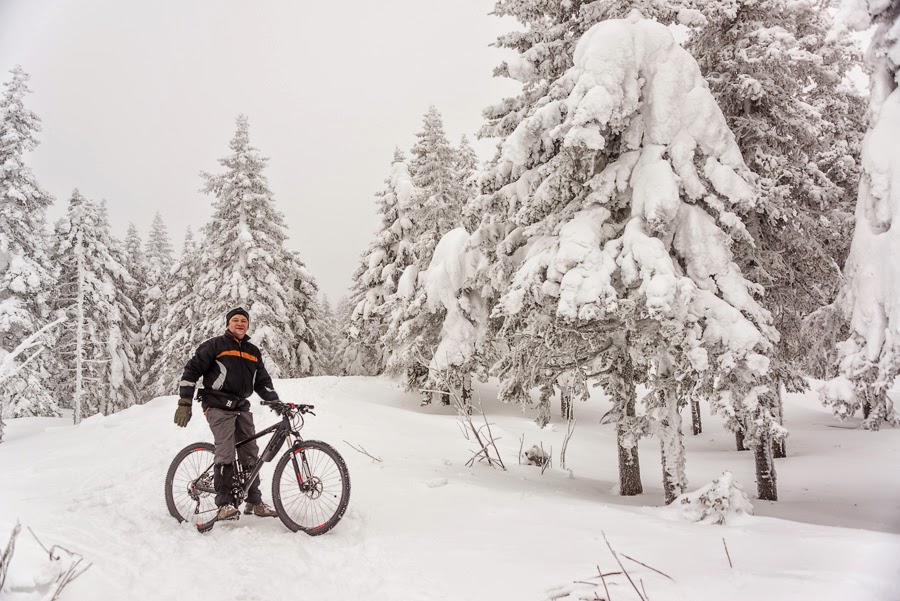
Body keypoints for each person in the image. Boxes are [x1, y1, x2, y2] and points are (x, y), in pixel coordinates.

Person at [173, 307, 279, 521]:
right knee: (226, 450)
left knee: (250, 453)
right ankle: (224, 504)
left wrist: (274, 400)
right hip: (217, 404)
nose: (240, 324)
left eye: (243, 321)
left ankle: (254, 501)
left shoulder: (252, 351)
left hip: (241, 407)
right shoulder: (215, 346)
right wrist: (185, 402)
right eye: (235, 320)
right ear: (228, 324)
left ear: (248, 325)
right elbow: (191, 371)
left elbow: (262, 381)